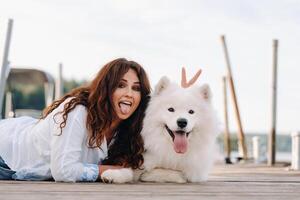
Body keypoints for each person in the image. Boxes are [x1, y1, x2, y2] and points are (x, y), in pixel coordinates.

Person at [0, 58, 201, 182]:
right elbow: (63, 171)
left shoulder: (130, 126)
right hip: (7, 154)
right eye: (121, 85)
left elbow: (162, 111)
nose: (129, 94)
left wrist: (181, 96)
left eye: (136, 88)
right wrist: (108, 170)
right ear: (106, 88)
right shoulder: (78, 112)